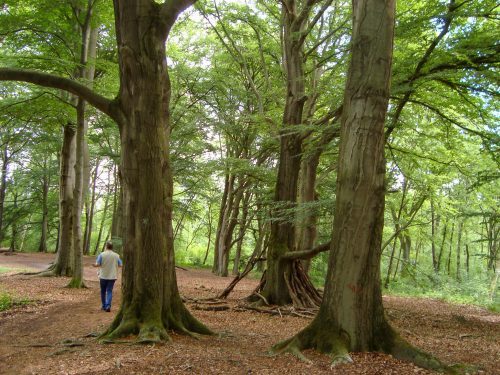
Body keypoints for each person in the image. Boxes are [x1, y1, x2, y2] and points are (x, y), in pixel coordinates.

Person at [93, 241, 122, 312]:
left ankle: (103, 306)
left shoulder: (102, 255)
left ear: (106, 246)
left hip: (103, 276)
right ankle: (108, 305)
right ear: (112, 247)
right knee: (109, 291)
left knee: (103, 291)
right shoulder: (116, 255)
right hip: (112, 276)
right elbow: (121, 265)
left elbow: (97, 264)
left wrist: (94, 265)